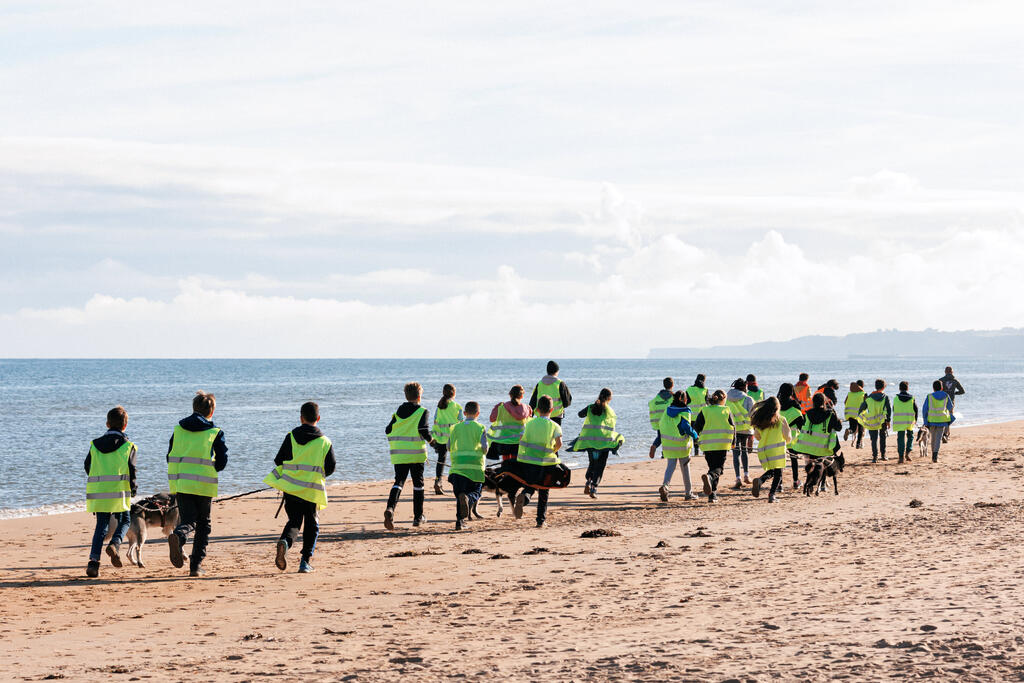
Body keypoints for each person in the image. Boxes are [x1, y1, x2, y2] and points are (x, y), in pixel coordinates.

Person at [266, 401, 336, 573]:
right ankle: (305, 561)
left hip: (291, 488)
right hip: (312, 490)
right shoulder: (325, 442)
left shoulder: (291, 436)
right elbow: (331, 466)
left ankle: (285, 542)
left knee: (295, 521)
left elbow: (278, 460)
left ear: (301, 418)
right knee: (312, 524)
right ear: (318, 418)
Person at [167, 390, 228, 577]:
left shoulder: (178, 429)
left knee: (188, 521)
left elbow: (169, 455)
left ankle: (180, 534)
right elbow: (223, 460)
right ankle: (195, 566)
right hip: (203, 485)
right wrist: (214, 467)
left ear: (194, 408)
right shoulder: (215, 432)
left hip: (182, 483)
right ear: (211, 412)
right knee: (203, 524)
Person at [84, 406, 138, 578]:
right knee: (125, 520)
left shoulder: (94, 444)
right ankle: (115, 544)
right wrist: (134, 489)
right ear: (125, 425)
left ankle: (93, 564)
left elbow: (87, 466)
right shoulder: (128, 446)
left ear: (107, 424)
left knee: (101, 526)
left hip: (99, 492)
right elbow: (132, 470)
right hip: (120, 492)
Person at [383, 382, 436, 530]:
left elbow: (388, 430)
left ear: (406, 396)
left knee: (398, 482)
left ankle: (390, 509)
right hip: (416, 455)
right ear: (419, 396)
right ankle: (418, 517)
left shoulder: (398, 412)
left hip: (399, 455)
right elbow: (423, 430)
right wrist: (432, 442)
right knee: (418, 484)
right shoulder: (422, 411)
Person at [513, 396, 563, 528]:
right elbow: (559, 444)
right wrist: (553, 449)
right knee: (544, 490)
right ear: (552, 410)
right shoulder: (554, 425)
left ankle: (524, 496)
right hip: (547, 462)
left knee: (532, 484)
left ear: (537, 409)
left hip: (529, 461)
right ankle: (540, 520)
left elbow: (521, 439)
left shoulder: (529, 423)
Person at [571, 388, 624, 498]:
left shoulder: (591, 407)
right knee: (600, 465)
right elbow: (612, 426)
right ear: (610, 398)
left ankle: (588, 481)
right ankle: (594, 488)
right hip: (604, 442)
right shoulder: (609, 410)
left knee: (592, 462)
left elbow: (580, 414)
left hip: (590, 441)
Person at [488, 385, 533, 504]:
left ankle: (505, 487)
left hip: (503, 443)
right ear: (522, 396)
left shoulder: (502, 407)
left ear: (510, 394)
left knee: (505, 467)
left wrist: (496, 407)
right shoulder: (527, 408)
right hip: (518, 443)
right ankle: (513, 489)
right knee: (516, 468)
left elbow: (492, 419)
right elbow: (530, 424)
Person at [447, 401, 488, 531]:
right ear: (478, 414)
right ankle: (468, 499)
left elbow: (448, 446)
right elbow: (485, 448)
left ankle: (459, 522)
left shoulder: (455, 427)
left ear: (464, 413)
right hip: (474, 467)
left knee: (460, 494)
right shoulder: (480, 427)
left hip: (457, 466)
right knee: (476, 491)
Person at [652, 390, 700, 501]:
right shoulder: (685, 411)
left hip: (669, 445)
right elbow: (686, 427)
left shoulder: (667, 411)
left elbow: (662, 428)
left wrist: (656, 443)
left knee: (670, 467)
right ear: (685, 400)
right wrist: (695, 436)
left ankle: (665, 486)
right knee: (685, 468)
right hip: (682, 445)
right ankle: (688, 493)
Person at [790, 393, 842, 484]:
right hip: (823, 447)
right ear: (824, 402)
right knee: (823, 463)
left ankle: (811, 482)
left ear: (813, 402)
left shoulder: (808, 414)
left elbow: (803, 427)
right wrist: (835, 414)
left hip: (808, 446)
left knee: (813, 463)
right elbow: (839, 428)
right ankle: (822, 484)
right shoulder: (830, 415)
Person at [694, 390, 735, 503]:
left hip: (707, 445)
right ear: (723, 399)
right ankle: (710, 479)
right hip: (721, 445)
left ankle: (713, 495)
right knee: (718, 470)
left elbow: (697, 427)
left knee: (713, 467)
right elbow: (733, 427)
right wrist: (733, 442)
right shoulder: (726, 410)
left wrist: (697, 440)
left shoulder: (705, 410)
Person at [750, 397, 793, 503]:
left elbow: (757, 436)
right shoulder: (781, 420)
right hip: (777, 450)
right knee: (778, 473)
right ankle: (772, 494)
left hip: (764, 450)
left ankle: (760, 481)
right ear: (777, 407)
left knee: (772, 471)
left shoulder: (760, 420)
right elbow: (787, 436)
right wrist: (787, 441)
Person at [430, 384, 463, 495]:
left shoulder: (439, 406)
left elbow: (435, 421)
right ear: (454, 393)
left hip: (440, 438)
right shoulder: (457, 406)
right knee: (456, 460)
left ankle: (438, 481)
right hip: (453, 438)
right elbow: (461, 423)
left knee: (441, 460)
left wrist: (433, 439)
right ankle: (457, 483)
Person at [777, 383, 806, 490]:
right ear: (791, 392)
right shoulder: (795, 405)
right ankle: (795, 481)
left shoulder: (776, 404)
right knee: (794, 460)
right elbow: (802, 424)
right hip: (793, 439)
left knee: (779, 461)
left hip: (778, 438)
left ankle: (779, 484)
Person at [726, 379, 755, 488]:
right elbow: (752, 415)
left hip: (733, 430)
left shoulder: (727, 398)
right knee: (744, 451)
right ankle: (746, 475)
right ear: (744, 387)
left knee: (735, 453)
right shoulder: (748, 399)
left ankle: (738, 477)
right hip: (746, 429)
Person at [529, 360, 572, 425]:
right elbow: (567, 403)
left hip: (541, 416)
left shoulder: (539, 384)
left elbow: (532, 403)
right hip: (556, 416)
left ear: (547, 371)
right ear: (557, 371)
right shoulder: (560, 384)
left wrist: (530, 417)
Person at [859, 379, 892, 463]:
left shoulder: (869, 398)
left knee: (873, 439)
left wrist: (863, 418)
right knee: (883, 437)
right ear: (884, 387)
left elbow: (861, 408)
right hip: (882, 421)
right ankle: (883, 455)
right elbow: (889, 409)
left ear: (875, 386)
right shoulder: (885, 397)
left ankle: (875, 457)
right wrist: (888, 420)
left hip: (872, 421)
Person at [923, 380, 955, 463]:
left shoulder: (929, 396)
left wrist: (925, 421)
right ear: (942, 388)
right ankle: (935, 455)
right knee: (938, 438)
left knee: (933, 438)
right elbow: (950, 406)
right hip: (942, 420)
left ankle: (934, 454)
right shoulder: (946, 395)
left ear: (933, 388)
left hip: (932, 420)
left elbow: (924, 410)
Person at [892, 382, 918, 465]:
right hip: (909, 420)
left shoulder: (896, 398)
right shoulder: (912, 398)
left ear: (899, 388)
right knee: (910, 436)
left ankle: (901, 457)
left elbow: (894, 409)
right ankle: (907, 453)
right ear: (907, 388)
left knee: (900, 438)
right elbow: (916, 409)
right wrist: (916, 419)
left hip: (899, 421)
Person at [648, 377, 674, 458]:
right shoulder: (673, 397)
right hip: (670, 421)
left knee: (660, 436)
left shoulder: (658, 397)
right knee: (669, 437)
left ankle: (655, 445)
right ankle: (664, 453)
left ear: (663, 385)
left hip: (659, 421)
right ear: (672, 385)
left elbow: (650, 404)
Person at [938, 367, 965, 443]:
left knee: (942, 418)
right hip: (951, 402)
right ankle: (946, 435)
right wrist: (954, 393)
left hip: (941, 402)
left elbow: (937, 390)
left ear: (945, 372)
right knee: (949, 418)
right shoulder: (955, 380)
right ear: (952, 372)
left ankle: (942, 434)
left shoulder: (941, 380)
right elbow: (962, 391)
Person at [843, 381, 866, 449]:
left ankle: (849, 430)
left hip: (850, 413)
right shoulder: (863, 393)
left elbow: (845, 402)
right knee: (861, 429)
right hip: (859, 414)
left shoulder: (849, 394)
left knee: (852, 428)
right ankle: (858, 444)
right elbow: (867, 403)